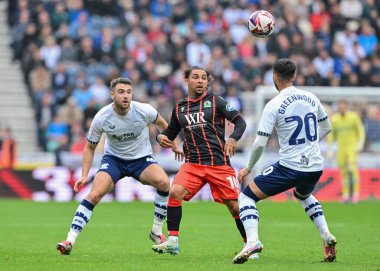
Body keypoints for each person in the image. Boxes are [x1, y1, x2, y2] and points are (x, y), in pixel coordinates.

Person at [56, 77, 183, 255]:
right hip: (114, 160)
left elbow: (163, 125)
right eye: (121, 92)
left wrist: (174, 144)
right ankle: (70, 239)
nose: (126, 96)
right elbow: (89, 148)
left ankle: (156, 231)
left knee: (164, 183)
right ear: (112, 94)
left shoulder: (144, 110)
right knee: (94, 194)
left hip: (141, 159)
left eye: (129, 92)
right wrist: (84, 174)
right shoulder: (102, 117)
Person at [232, 58, 337, 264]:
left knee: (246, 198)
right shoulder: (311, 98)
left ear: (274, 77)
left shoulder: (274, 104)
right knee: (303, 194)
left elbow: (260, 143)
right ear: (295, 76)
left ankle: (252, 241)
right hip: (315, 166)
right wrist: (310, 146)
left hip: (290, 166)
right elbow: (327, 128)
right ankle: (326, 235)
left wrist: (249, 168)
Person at [152, 66, 247, 255]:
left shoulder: (216, 101)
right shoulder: (180, 108)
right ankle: (172, 241)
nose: (201, 81)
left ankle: (249, 243)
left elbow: (240, 121)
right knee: (175, 193)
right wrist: (160, 138)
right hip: (193, 164)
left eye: (204, 78)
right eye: (195, 77)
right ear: (186, 80)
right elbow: (169, 133)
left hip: (219, 163)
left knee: (235, 206)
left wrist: (233, 138)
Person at [328, 100, 365, 203]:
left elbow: (360, 130)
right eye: (340, 106)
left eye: (343, 106)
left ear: (347, 107)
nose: (342, 108)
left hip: (352, 148)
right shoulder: (335, 119)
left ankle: (356, 194)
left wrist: (360, 143)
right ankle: (346, 195)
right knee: (343, 172)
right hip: (341, 149)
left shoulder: (353, 117)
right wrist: (330, 149)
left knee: (352, 170)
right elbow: (331, 135)